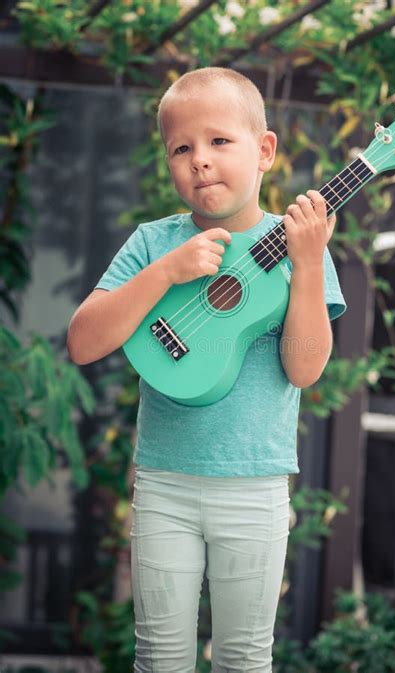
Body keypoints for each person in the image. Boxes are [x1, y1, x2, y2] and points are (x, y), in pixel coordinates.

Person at [67, 67, 347, 673]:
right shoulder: (153, 242)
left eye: (220, 141)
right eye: (182, 148)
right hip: (165, 482)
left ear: (264, 150)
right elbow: (84, 343)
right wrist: (166, 272)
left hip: (255, 486)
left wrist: (306, 266)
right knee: (159, 657)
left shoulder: (302, 244)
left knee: (244, 658)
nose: (200, 160)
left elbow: (304, 369)